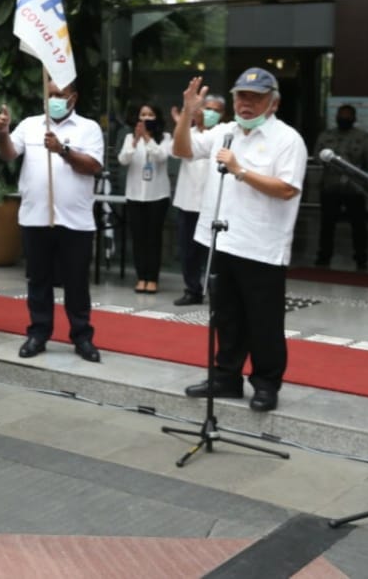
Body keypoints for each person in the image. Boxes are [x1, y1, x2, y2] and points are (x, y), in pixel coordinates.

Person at [173, 68, 307, 413]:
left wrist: (240, 171)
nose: (246, 104)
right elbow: (182, 149)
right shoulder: (224, 132)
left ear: (273, 103)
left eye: (255, 97)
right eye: (241, 97)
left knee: (263, 322)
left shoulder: (287, 139)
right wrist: (188, 113)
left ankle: (265, 384)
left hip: (262, 246)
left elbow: (288, 188)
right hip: (222, 239)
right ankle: (226, 377)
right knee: (226, 317)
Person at [0, 81, 103, 362]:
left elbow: (93, 167)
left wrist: (63, 150)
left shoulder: (88, 128)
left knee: (76, 283)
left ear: (73, 98)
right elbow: (8, 154)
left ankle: (82, 337)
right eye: (50, 94)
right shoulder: (30, 125)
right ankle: (38, 334)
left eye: (60, 95)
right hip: (36, 217)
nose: (54, 99)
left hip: (75, 221)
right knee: (38, 280)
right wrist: (3, 133)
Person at [168, 95, 225, 305]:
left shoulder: (224, 136)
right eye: (207, 108)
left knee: (214, 252)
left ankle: (215, 291)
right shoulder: (187, 133)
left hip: (213, 206)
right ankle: (192, 289)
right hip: (188, 201)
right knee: (188, 251)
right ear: (198, 111)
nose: (210, 113)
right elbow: (176, 152)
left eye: (216, 110)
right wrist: (181, 124)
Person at [315, 104, 368, 271]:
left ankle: (361, 259)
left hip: (354, 189)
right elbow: (318, 157)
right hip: (330, 187)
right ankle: (323, 257)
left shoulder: (363, 137)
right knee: (327, 225)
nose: (344, 118)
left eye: (347, 116)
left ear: (354, 118)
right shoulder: (326, 136)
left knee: (358, 226)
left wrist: (366, 179)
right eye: (341, 115)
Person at [117, 102, 171, 293]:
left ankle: (153, 278)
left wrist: (148, 138)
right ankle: (141, 277)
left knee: (153, 238)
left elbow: (162, 156)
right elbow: (123, 160)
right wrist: (134, 142)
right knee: (138, 238)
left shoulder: (165, 137)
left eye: (150, 115)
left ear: (156, 118)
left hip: (157, 196)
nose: (146, 118)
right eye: (143, 115)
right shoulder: (130, 137)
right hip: (135, 195)